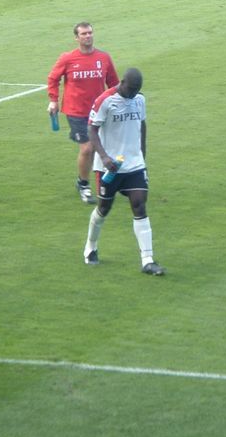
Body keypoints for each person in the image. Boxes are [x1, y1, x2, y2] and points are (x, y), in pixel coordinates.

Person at [83, 68, 165, 276]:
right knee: (104, 209)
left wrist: (142, 155)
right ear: (122, 82)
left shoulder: (139, 99)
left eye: (137, 90)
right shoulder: (105, 101)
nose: (133, 94)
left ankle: (147, 260)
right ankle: (90, 247)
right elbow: (92, 129)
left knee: (139, 205)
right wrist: (104, 157)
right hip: (109, 167)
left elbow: (142, 124)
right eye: (131, 89)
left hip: (134, 164)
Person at [47, 22, 119, 205]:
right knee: (87, 148)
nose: (88, 36)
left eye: (90, 33)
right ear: (76, 38)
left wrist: (120, 102)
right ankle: (83, 184)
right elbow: (53, 78)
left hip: (99, 111)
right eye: (84, 34)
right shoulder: (68, 58)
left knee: (100, 148)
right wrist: (53, 100)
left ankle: (104, 182)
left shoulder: (103, 58)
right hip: (76, 111)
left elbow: (113, 83)